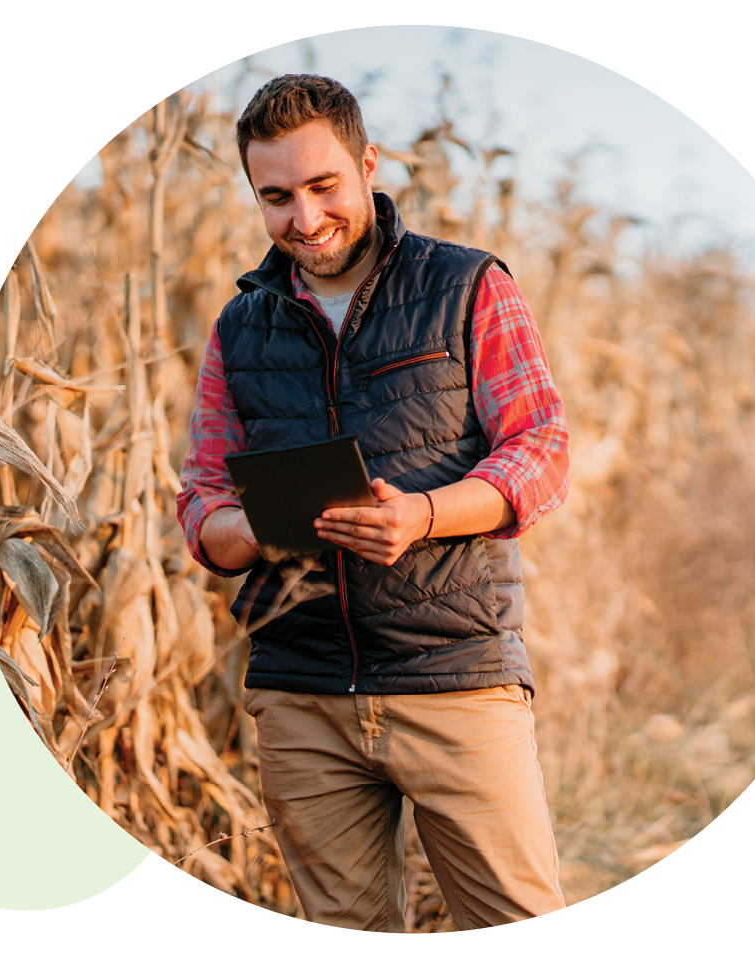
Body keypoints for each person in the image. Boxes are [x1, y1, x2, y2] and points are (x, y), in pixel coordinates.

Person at [177, 74, 570, 932]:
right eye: (275, 198)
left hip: (455, 678)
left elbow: (540, 453)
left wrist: (421, 516)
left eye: (323, 188)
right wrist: (250, 528)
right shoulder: (238, 329)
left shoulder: (467, 287)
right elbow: (201, 498)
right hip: (301, 692)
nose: (305, 220)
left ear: (367, 164)